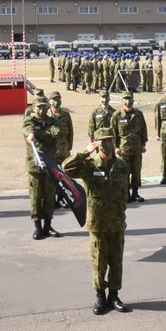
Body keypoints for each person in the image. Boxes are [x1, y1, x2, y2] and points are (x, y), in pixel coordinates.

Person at [63, 128, 131, 315]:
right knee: (99, 262)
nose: (108, 144)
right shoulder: (89, 166)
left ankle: (114, 295)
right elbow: (66, 168)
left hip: (117, 222)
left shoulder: (123, 166)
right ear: (96, 143)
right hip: (98, 223)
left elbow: (124, 192)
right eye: (103, 141)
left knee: (116, 262)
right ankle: (100, 296)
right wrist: (86, 151)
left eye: (111, 140)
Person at [24, 99, 63, 238]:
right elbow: (27, 130)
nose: (41, 109)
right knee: (35, 197)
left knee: (49, 197)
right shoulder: (29, 120)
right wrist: (31, 134)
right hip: (34, 166)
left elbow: (54, 135)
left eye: (43, 107)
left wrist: (38, 133)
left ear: (47, 107)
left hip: (49, 165)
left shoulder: (53, 121)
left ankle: (48, 226)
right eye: (38, 107)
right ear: (34, 108)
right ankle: (37, 227)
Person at [111, 91, 148, 203]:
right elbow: (113, 133)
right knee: (124, 172)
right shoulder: (117, 115)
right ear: (122, 101)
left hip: (137, 148)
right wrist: (115, 147)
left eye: (130, 98)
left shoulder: (138, 114)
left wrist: (143, 144)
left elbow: (143, 130)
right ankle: (126, 194)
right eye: (125, 99)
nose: (128, 101)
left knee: (136, 172)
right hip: (124, 149)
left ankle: (135, 193)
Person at [49, 92, 75, 164]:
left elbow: (70, 132)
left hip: (64, 151)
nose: (57, 101)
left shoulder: (66, 115)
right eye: (54, 99)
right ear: (49, 101)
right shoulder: (46, 116)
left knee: (65, 172)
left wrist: (69, 147)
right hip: (50, 151)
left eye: (58, 99)